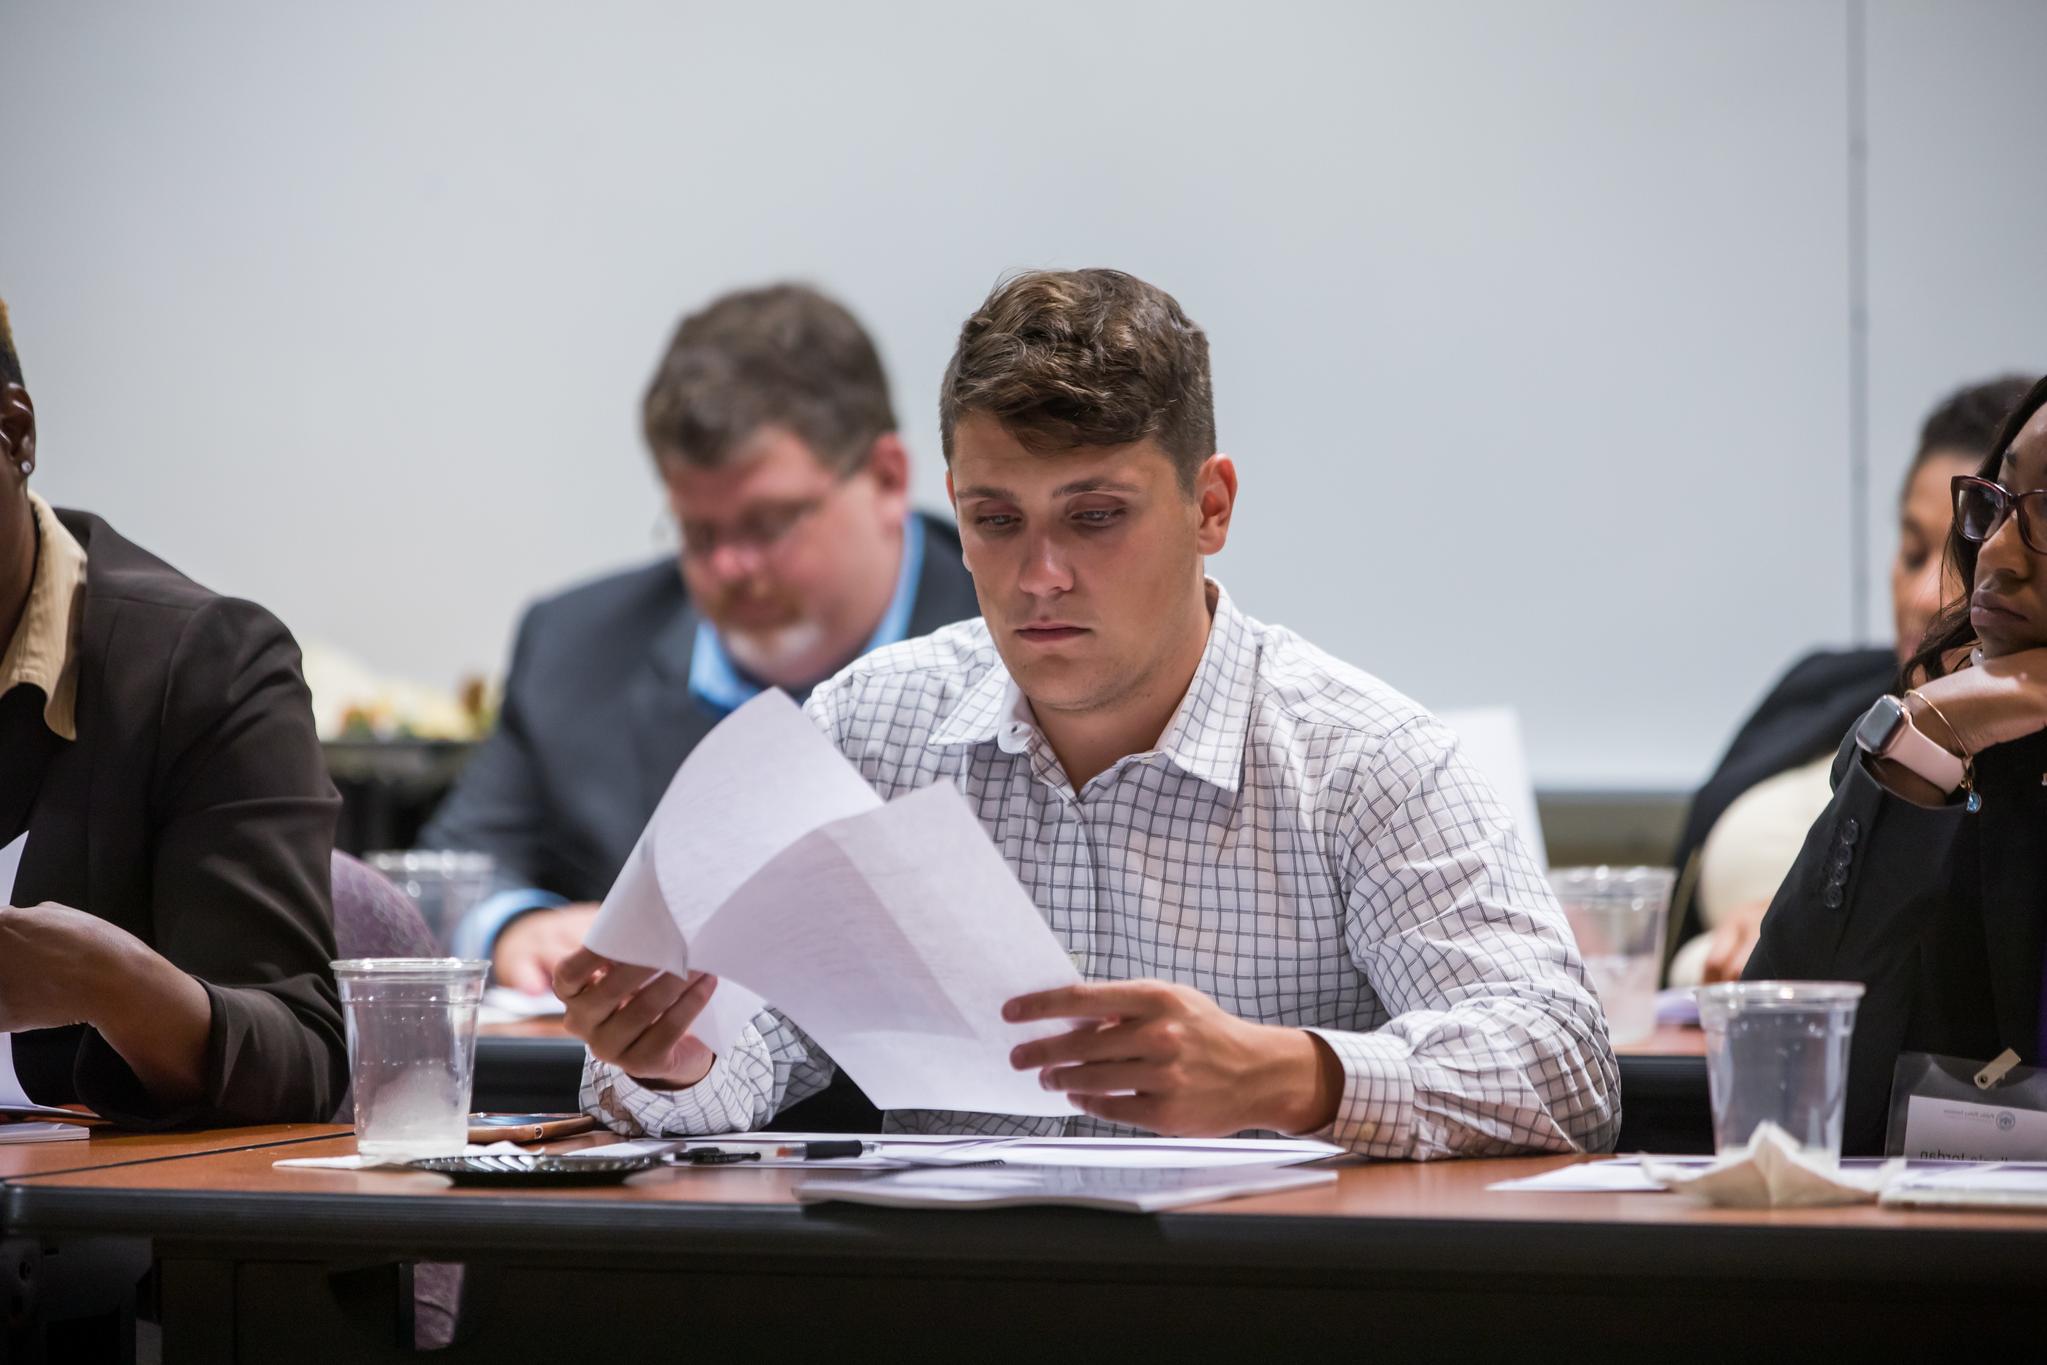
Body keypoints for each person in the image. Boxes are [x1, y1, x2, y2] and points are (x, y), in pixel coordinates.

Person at [558, 268, 1619, 1158]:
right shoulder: (870, 725)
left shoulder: (1364, 759)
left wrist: (1285, 1075)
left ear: (1210, 508)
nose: (1041, 576)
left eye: (1096, 516)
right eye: (996, 520)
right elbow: (750, 1059)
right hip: (953, 1302)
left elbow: (1564, 1066)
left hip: (1258, 1305)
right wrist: (671, 1056)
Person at [423, 284, 978, 994]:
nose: (728, 567)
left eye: (769, 523)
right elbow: (451, 871)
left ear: (887, 478)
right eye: (698, 531)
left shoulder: (1016, 635)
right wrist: (513, 925)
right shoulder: (577, 647)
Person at [0, 298, 344, 1125]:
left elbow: (303, 1059)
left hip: (82, 1239)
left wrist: (110, 986)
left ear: (14, 435)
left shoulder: (207, 667)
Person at [1745, 374, 2047, 1154]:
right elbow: (1778, 1101)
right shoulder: (1965, 765)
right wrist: (1924, 740)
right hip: (1953, 1264)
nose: (1997, 553)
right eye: (2000, 502)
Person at [1667, 376, 2034, 986]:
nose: (1922, 597)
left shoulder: (2011, 768)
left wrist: (1786, 923)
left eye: (1959, 561)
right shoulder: (1824, 683)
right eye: (1914, 552)